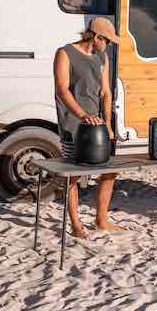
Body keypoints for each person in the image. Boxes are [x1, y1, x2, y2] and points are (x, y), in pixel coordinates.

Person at [53, 17, 121, 239]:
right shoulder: (64, 53)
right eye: (107, 41)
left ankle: (101, 219)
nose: (108, 46)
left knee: (109, 169)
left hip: (97, 126)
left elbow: (106, 93)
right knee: (73, 175)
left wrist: (109, 125)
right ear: (97, 37)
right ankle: (75, 223)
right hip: (73, 124)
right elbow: (63, 90)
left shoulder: (102, 57)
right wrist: (82, 115)